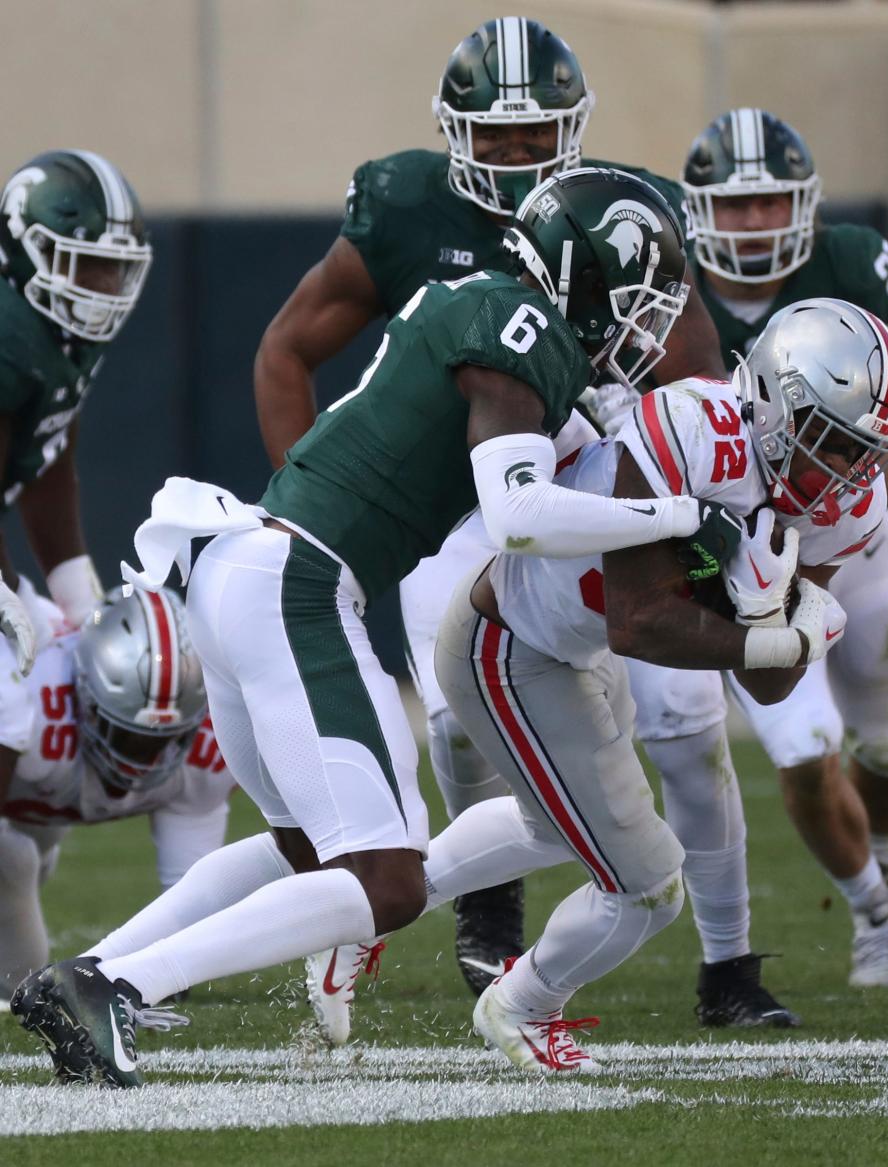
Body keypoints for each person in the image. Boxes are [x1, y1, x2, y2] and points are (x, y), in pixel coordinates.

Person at [12, 168, 733, 1087]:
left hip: (243, 569)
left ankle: (84, 971)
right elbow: (515, 511)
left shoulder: (487, 303)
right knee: (387, 881)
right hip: (299, 584)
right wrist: (675, 517)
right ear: (588, 276)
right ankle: (120, 982)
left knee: (307, 853)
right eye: (640, 297)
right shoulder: (528, 331)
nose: (647, 324)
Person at [253, 16, 728, 999]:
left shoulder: (621, 210)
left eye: (536, 133)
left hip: (587, 480)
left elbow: (696, 384)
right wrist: (310, 495)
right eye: (497, 136)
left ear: (577, 126)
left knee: (685, 714)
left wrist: (688, 501)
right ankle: (487, 909)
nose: (516, 156)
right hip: (461, 499)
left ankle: (732, 961)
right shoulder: (408, 205)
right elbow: (286, 351)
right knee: (460, 720)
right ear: (453, 132)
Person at [419, 295, 888, 1072]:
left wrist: (787, 622)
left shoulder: (844, 501)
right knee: (646, 884)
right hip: (514, 637)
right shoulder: (692, 431)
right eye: (830, 443)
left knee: (554, 831)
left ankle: (376, 899)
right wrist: (773, 632)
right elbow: (637, 621)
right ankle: (515, 1001)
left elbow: (771, 687)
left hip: (569, 656)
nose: (847, 473)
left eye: (862, 451)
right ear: (775, 408)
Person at [679, 108, 888, 987]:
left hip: (853, 544)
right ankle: (871, 911)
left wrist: (814, 518)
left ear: (806, 204)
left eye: (770, 202)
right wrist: (742, 550)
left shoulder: (849, 265)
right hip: (742, 560)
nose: (754, 222)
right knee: (801, 749)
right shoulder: (670, 292)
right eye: (736, 204)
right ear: (699, 210)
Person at [0, 587, 231, 1007]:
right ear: (83, 695)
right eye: (125, 734)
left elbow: (189, 908)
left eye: (164, 739)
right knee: (11, 857)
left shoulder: (208, 751)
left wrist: (163, 970)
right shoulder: (32, 711)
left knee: (36, 836)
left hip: (47, 793)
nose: (142, 760)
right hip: (26, 784)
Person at [0, 150, 153, 678]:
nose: (104, 288)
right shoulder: (8, 331)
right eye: (87, 265)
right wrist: (8, 588)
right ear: (27, 247)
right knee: (13, 700)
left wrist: (78, 603)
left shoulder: (55, 332)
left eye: (114, 270)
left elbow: (48, 462)